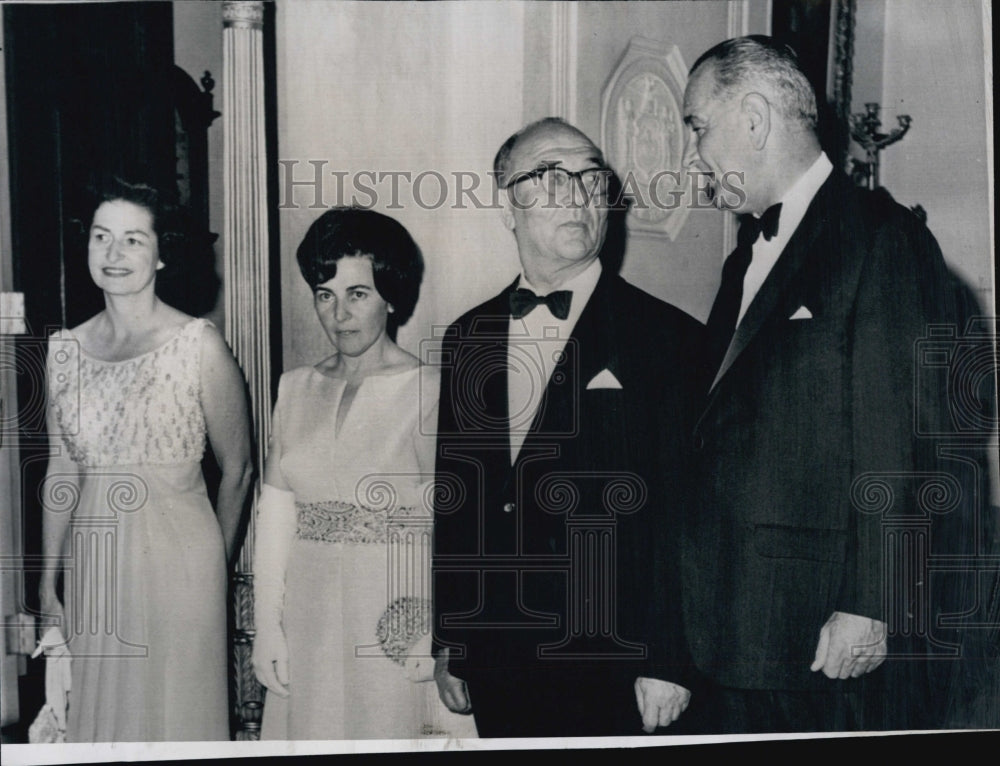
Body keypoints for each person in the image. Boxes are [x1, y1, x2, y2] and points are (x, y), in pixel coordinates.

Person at [679, 36, 990, 732]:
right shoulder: (744, 261)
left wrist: (873, 604)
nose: (693, 155)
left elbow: (906, 439)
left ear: (754, 118)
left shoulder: (881, 238)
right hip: (736, 620)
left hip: (818, 630)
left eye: (697, 126)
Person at [432, 117, 704, 737]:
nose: (577, 194)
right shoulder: (467, 337)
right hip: (499, 657)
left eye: (590, 178)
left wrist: (670, 658)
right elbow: (459, 496)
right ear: (509, 208)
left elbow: (689, 513)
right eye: (550, 177)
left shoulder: (670, 340)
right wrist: (452, 636)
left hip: (617, 664)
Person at [40, 177, 254, 741]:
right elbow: (60, 472)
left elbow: (240, 470)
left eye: (133, 240)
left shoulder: (198, 344)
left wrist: (216, 567)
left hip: (180, 568)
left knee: (174, 722)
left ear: (162, 254)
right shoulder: (63, 350)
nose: (113, 254)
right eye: (101, 237)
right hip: (94, 568)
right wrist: (47, 584)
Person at [252, 207, 477, 740]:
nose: (339, 314)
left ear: (391, 296)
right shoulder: (293, 387)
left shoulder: (430, 391)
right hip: (309, 612)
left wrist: (440, 639)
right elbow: (276, 516)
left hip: (397, 616)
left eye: (358, 294)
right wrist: (267, 627)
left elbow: (456, 529)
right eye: (325, 294)